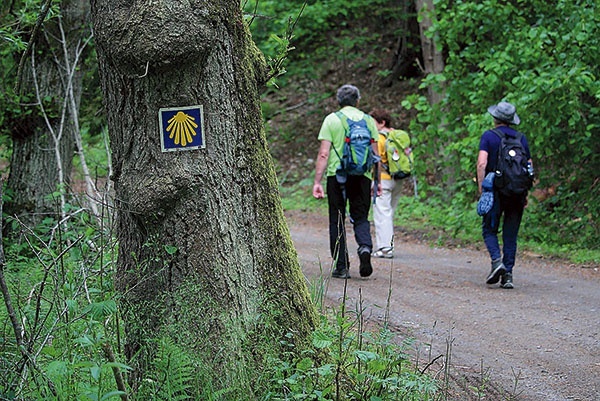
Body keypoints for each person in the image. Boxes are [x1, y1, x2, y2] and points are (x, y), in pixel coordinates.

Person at [312, 84, 381, 279]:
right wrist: (378, 181)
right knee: (360, 217)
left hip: (338, 177)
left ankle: (342, 266)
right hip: (363, 177)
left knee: (337, 219)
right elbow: (376, 155)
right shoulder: (369, 121)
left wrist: (317, 180)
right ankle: (365, 248)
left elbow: (324, 153)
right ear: (358, 101)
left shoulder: (332, 120)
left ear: (339, 101)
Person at [477, 101, 533, 289]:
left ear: (495, 118)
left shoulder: (489, 137)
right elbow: (529, 167)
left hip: (495, 190)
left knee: (489, 229)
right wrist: (525, 191)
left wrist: (482, 188)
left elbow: (482, 164)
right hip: (517, 192)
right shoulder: (521, 138)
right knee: (511, 234)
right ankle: (507, 274)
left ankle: (496, 262)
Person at [369, 109, 411, 259]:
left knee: (382, 213)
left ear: (382, 123)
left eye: (373, 121)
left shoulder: (380, 138)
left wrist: (376, 181)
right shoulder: (398, 136)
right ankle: (387, 243)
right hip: (397, 179)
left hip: (383, 179)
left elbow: (377, 161)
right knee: (389, 212)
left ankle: (385, 248)